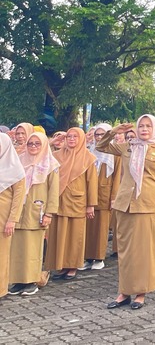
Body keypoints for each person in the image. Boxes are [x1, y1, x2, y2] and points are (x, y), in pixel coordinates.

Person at [98, 114, 155, 310]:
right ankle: (124, 292)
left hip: (148, 205)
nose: (144, 129)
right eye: (141, 126)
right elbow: (100, 146)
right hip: (125, 204)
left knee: (144, 251)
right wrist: (115, 131)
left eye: (148, 126)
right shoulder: (127, 146)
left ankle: (141, 292)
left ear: (154, 128)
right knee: (125, 251)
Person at [9, 131, 58, 295]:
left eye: (37, 143)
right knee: (17, 248)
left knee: (33, 249)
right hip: (19, 212)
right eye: (30, 143)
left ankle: (31, 281)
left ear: (44, 144)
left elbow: (53, 191)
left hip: (37, 211)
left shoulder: (51, 164)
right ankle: (18, 280)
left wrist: (49, 213)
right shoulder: (20, 161)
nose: (33, 147)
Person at [45, 127, 97, 280]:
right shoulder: (57, 156)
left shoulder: (88, 158)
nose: (72, 139)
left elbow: (91, 183)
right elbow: (41, 153)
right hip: (59, 200)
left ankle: (73, 266)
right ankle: (61, 265)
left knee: (75, 236)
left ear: (81, 139)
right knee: (60, 234)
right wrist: (52, 141)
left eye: (75, 136)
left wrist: (90, 205)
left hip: (77, 201)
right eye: (69, 136)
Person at [83, 123, 118, 270]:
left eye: (102, 135)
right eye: (97, 135)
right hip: (89, 195)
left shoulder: (115, 153)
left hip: (105, 193)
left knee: (102, 228)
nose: (99, 138)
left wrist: (114, 197)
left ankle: (99, 257)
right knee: (88, 228)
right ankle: (88, 257)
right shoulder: (89, 152)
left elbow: (117, 177)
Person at [0, 135, 27, 300]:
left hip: (3, 219)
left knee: (1, 254)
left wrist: (12, 220)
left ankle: (1, 289)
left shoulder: (15, 169)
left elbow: (18, 197)